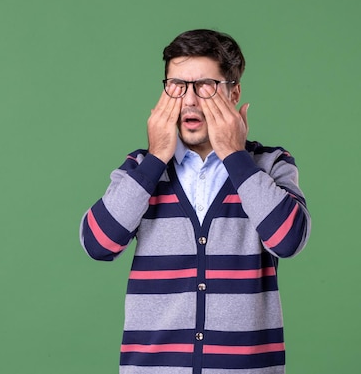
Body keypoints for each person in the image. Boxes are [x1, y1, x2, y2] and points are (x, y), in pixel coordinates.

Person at [79, 29, 310, 374]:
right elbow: (98, 243)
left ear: (234, 92)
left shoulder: (269, 164)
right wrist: (157, 155)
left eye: (204, 86)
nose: (188, 100)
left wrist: (234, 153)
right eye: (176, 86)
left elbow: (288, 240)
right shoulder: (141, 169)